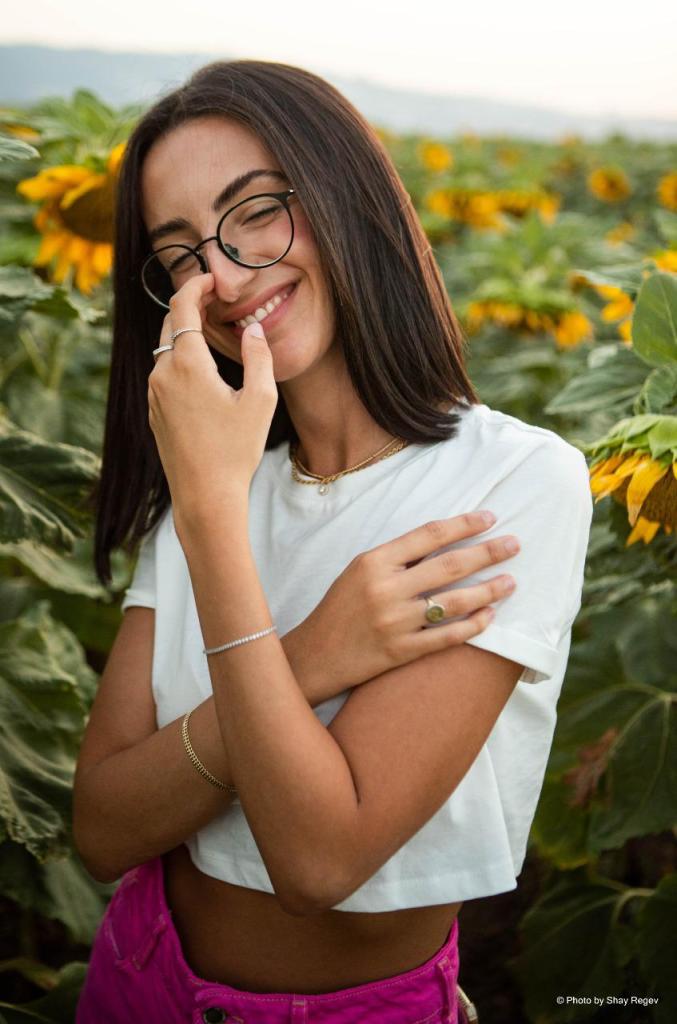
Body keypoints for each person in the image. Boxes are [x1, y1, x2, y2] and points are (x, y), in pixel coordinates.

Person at [73, 60, 593, 1024]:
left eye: (255, 211)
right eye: (180, 254)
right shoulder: (208, 479)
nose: (222, 279)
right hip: (136, 975)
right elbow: (102, 828)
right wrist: (314, 652)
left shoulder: (510, 483)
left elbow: (318, 858)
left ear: (347, 194)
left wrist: (213, 524)